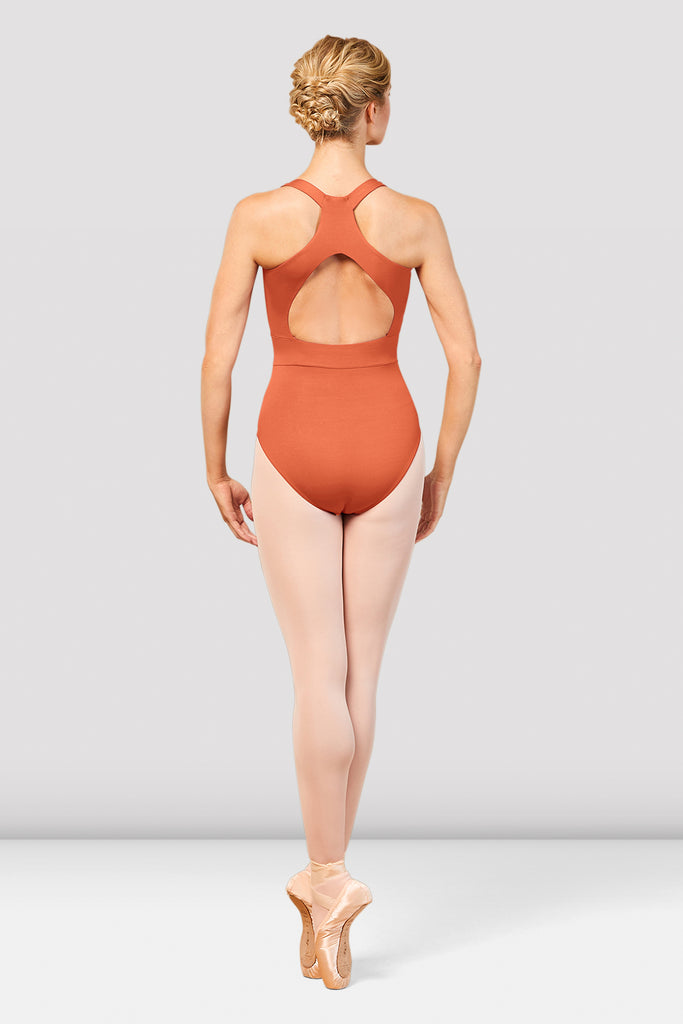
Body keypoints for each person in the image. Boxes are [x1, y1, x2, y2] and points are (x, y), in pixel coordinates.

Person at [200, 34, 481, 989]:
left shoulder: (256, 216)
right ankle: (335, 881)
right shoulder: (415, 219)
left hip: (292, 439)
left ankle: (325, 879)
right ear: (375, 111)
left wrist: (214, 466)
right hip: (389, 439)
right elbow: (466, 357)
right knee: (363, 673)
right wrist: (440, 470)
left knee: (315, 670)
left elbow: (218, 356)